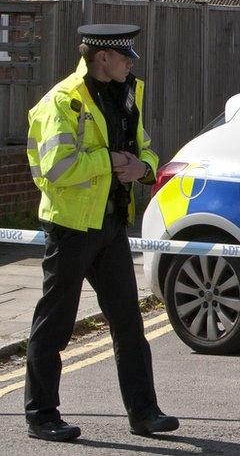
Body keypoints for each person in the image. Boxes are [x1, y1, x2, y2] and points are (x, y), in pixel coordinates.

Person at [23, 24, 178, 442]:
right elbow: (56, 169)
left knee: (129, 323)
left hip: (110, 225)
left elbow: (146, 149)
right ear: (102, 57)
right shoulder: (63, 101)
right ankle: (41, 415)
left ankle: (144, 413)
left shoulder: (126, 94)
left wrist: (142, 168)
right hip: (71, 227)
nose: (131, 64)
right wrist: (109, 161)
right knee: (55, 324)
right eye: (125, 57)